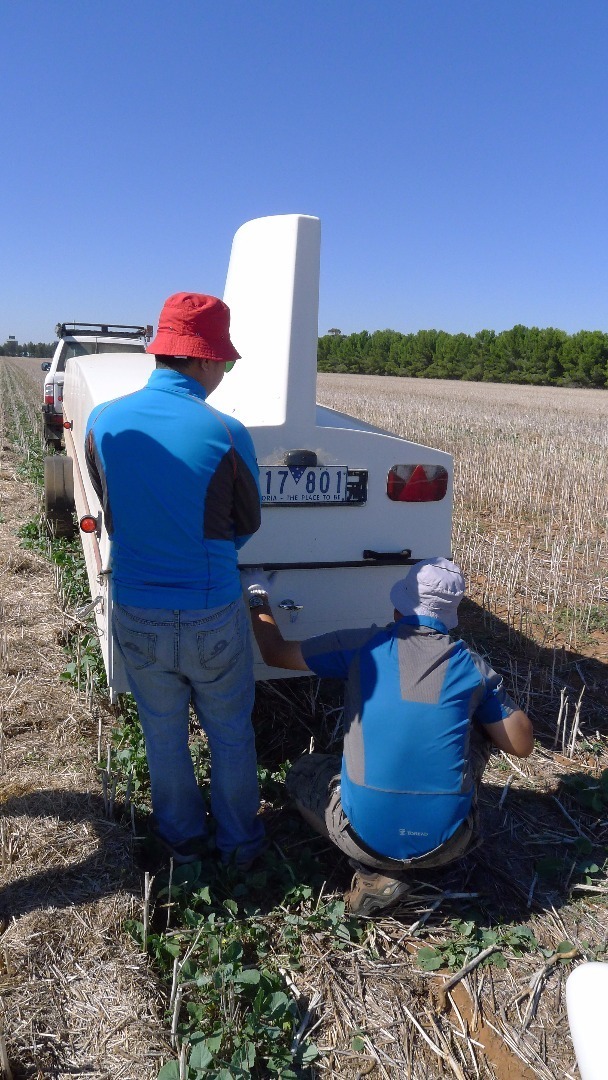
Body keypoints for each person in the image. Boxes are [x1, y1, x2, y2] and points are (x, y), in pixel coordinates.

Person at [85, 292, 265, 867]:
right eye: (225, 362)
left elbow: (110, 507)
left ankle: (182, 844)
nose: (224, 372)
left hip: (135, 607)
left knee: (163, 733)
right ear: (206, 360)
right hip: (211, 609)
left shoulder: (102, 421)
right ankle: (240, 849)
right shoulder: (228, 432)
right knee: (231, 733)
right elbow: (246, 524)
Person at [243, 558, 533, 915]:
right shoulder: (470, 666)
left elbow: (274, 653)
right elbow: (521, 745)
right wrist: (489, 691)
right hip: (449, 842)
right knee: (482, 726)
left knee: (303, 772)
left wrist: (256, 594)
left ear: (400, 606)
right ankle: (431, 822)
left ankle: (372, 871)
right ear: (451, 616)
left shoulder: (362, 646)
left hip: (364, 841)